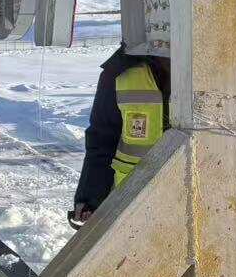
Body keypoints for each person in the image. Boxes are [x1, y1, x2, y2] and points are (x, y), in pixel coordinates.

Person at [70, 44, 170, 227]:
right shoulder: (119, 73)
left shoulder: (219, 67)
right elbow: (102, 140)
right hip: (132, 203)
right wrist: (91, 198)